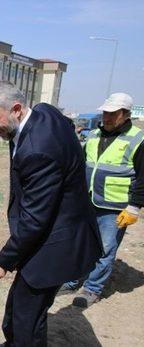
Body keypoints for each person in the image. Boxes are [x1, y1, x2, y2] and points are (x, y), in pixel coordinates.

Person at [0, 81, 102, 347]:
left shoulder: (39, 150)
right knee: (19, 298)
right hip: (49, 227)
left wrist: (3, 260)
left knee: (29, 309)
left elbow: (35, 219)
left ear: (17, 109)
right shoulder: (42, 112)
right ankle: (13, 345)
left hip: (57, 239)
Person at [59, 93, 143, 307]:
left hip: (115, 207)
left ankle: (91, 289)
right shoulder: (94, 135)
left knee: (105, 249)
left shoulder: (137, 139)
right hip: (87, 202)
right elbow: (81, 163)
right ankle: (72, 279)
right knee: (80, 243)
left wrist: (134, 206)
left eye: (112, 113)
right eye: (105, 112)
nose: (106, 117)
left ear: (125, 114)